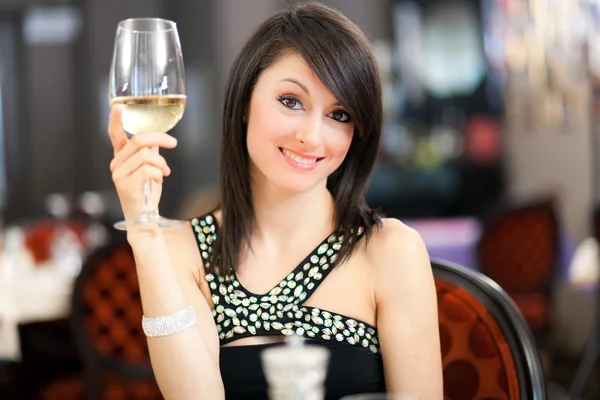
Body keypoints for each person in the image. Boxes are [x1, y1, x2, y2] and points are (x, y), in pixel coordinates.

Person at [108, 2, 442, 399]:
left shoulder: (389, 250)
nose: (312, 137)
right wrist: (145, 233)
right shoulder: (183, 252)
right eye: (291, 101)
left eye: (339, 114)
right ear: (245, 102)